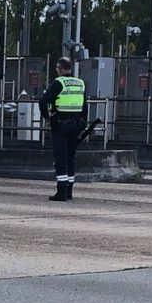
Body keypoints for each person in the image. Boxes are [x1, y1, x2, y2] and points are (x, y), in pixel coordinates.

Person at [38, 57, 87, 202]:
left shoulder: (58, 83)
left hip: (60, 124)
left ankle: (61, 191)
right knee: (71, 158)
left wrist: (48, 116)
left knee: (61, 158)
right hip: (76, 125)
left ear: (60, 68)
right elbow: (85, 105)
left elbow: (43, 101)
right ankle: (69, 191)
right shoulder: (80, 83)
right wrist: (83, 122)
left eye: (57, 68)